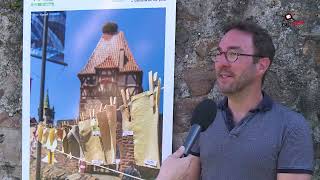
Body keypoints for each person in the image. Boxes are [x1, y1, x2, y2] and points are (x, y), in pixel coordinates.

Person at [157, 21, 314, 180]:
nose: (221, 63)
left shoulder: (291, 126)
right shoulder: (205, 117)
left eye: (233, 54)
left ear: (261, 65)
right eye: (219, 53)